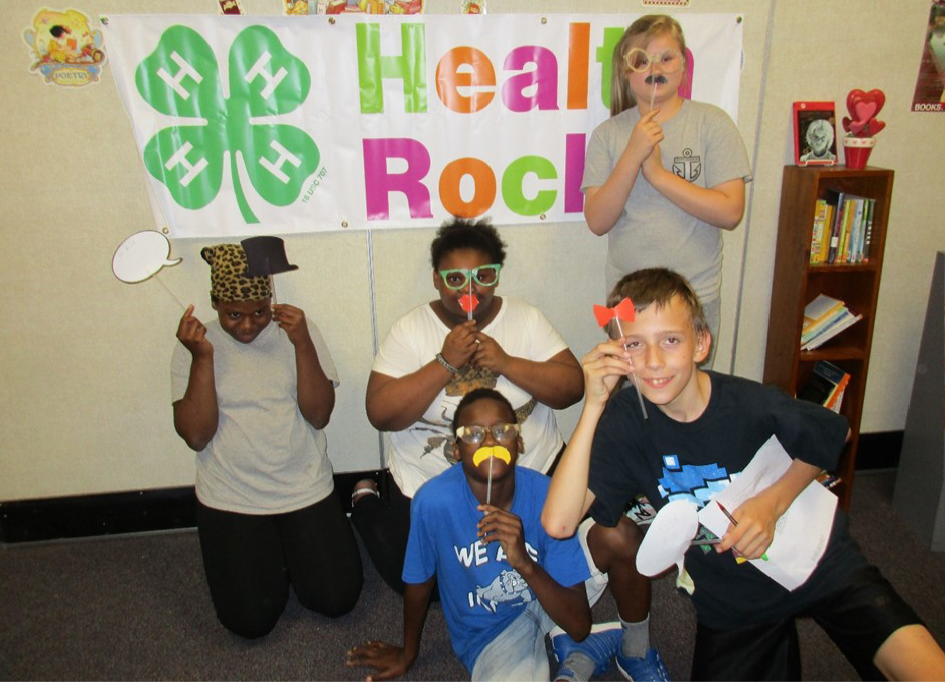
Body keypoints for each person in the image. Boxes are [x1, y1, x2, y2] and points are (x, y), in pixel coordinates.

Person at [542, 267, 945, 681]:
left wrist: (772, 502)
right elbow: (559, 522)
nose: (653, 362)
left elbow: (834, 432)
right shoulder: (624, 420)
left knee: (920, 665)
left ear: (701, 343)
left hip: (815, 556)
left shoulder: (748, 403)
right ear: (616, 353)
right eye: (634, 344)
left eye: (670, 340)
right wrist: (594, 405)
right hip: (733, 596)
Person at [351, 218, 584, 594]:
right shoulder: (411, 329)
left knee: (558, 558)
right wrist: (445, 363)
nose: (469, 289)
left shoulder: (524, 317)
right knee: (419, 582)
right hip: (432, 481)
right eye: (455, 278)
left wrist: (507, 363)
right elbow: (380, 413)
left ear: (496, 276)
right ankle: (366, 500)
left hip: (529, 470)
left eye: (483, 276)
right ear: (437, 279)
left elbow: (572, 388)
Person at [347, 388, 624, 682]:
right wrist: (408, 652)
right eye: (474, 433)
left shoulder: (546, 493)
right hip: (491, 635)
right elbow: (420, 580)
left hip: (545, 592)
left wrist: (524, 563)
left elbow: (579, 622)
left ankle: (631, 651)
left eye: (503, 430)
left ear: (519, 442)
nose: (490, 441)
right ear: (456, 450)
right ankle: (571, 649)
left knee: (620, 535)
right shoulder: (433, 502)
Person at [171, 242, 362, 638]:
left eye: (259, 312)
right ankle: (273, 553)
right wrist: (202, 358)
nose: (246, 325)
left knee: (338, 598)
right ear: (216, 304)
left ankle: (284, 550)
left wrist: (302, 343)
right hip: (232, 494)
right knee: (249, 621)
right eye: (233, 315)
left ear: (270, 299)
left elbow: (319, 414)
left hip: (301, 485)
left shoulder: (297, 333)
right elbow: (196, 435)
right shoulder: (195, 344)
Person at [580, 14, 751, 366]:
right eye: (641, 60)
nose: (654, 67)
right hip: (629, 305)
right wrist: (633, 154)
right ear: (626, 72)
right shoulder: (608, 135)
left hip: (695, 298)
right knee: (635, 401)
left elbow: (731, 212)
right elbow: (597, 221)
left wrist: (657, 175)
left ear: (683, 65)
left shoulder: (712, 123)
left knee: (690, 402)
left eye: (666, 57)